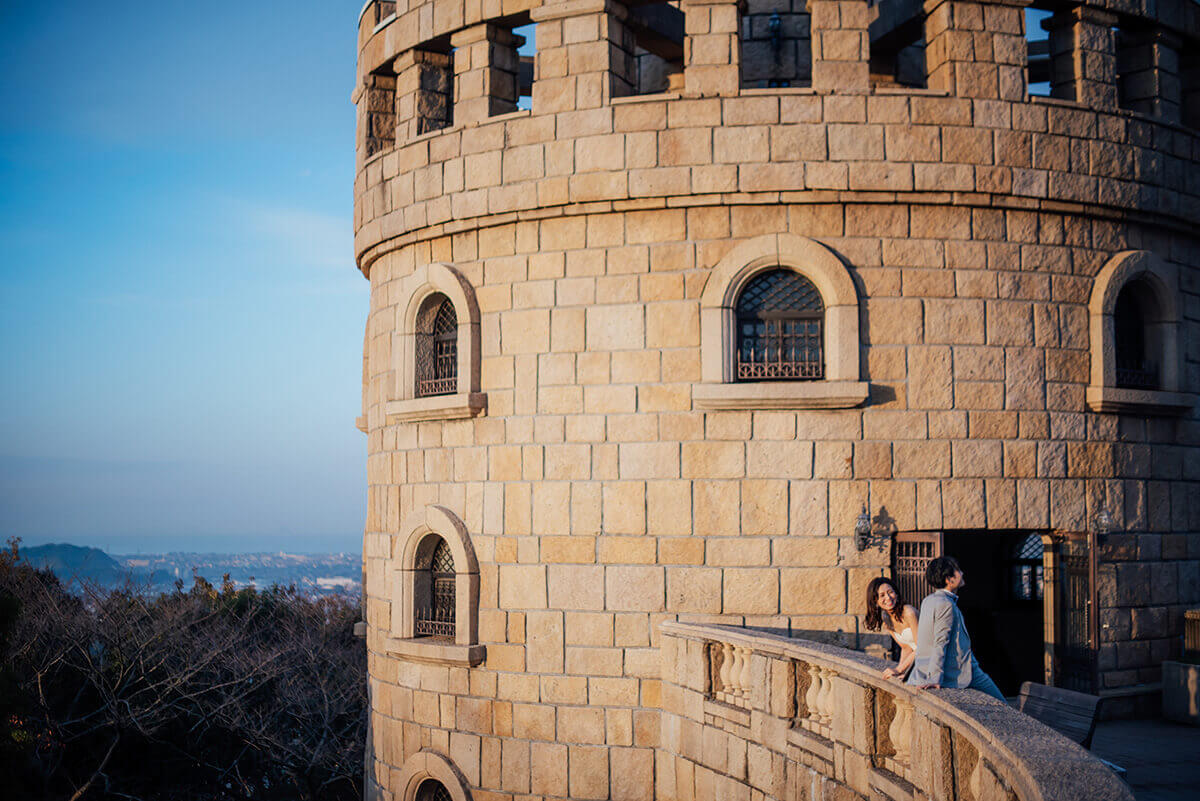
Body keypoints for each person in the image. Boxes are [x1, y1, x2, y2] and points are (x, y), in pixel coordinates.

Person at [906, 556, 1006, 702]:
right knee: (1002, 705)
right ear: (949, 579)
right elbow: (940, 641)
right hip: (962, 670)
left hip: (947, 669)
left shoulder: (928, 600)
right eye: (958, 571)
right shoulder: (946, 604)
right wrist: (935, 677)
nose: (962, 573)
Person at [864, 577, 919, 680]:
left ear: (896, 594)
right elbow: (906, 647)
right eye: (882, 595)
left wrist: (900, 670)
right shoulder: (886, 619)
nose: (888, 598)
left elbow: (921, 647)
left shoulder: (908, 612)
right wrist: (898, 670)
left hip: (930, 660)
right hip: (916, 661)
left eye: (890, 592)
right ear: (876, 601)